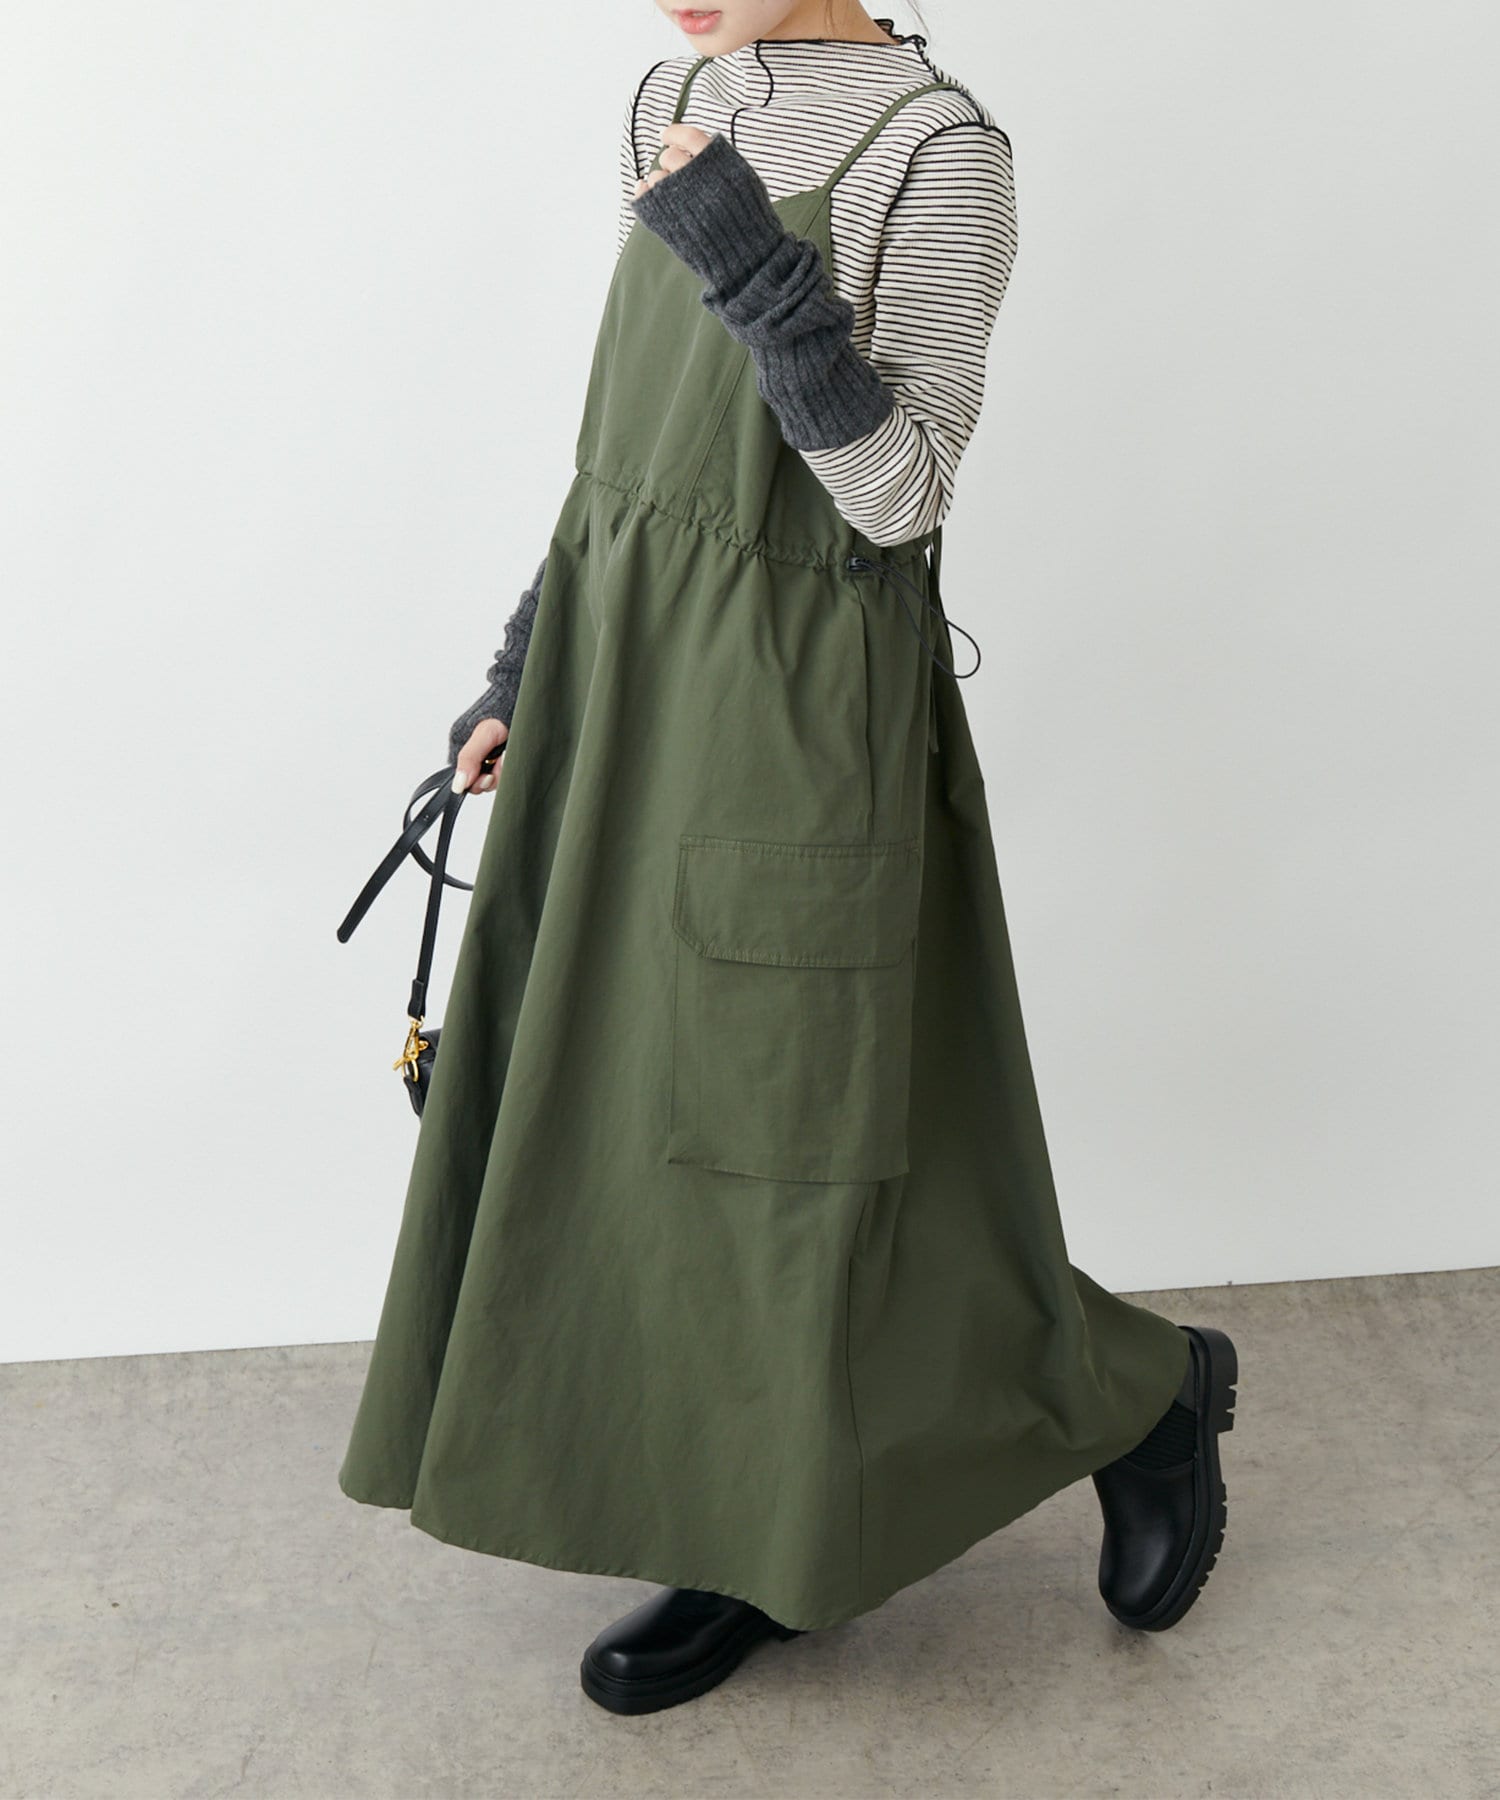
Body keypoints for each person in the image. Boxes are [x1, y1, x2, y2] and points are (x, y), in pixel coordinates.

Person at [338, 0, 1239, 1718]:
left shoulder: (937, 152)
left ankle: (1133, 1397)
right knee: (633, 1127)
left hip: (798, 718)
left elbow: (896, 493)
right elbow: (623, 457)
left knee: (781, 1163)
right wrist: (528, 666)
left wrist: (748, 253)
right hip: (627, 689)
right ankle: (754, 1515)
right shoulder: (673, 95)